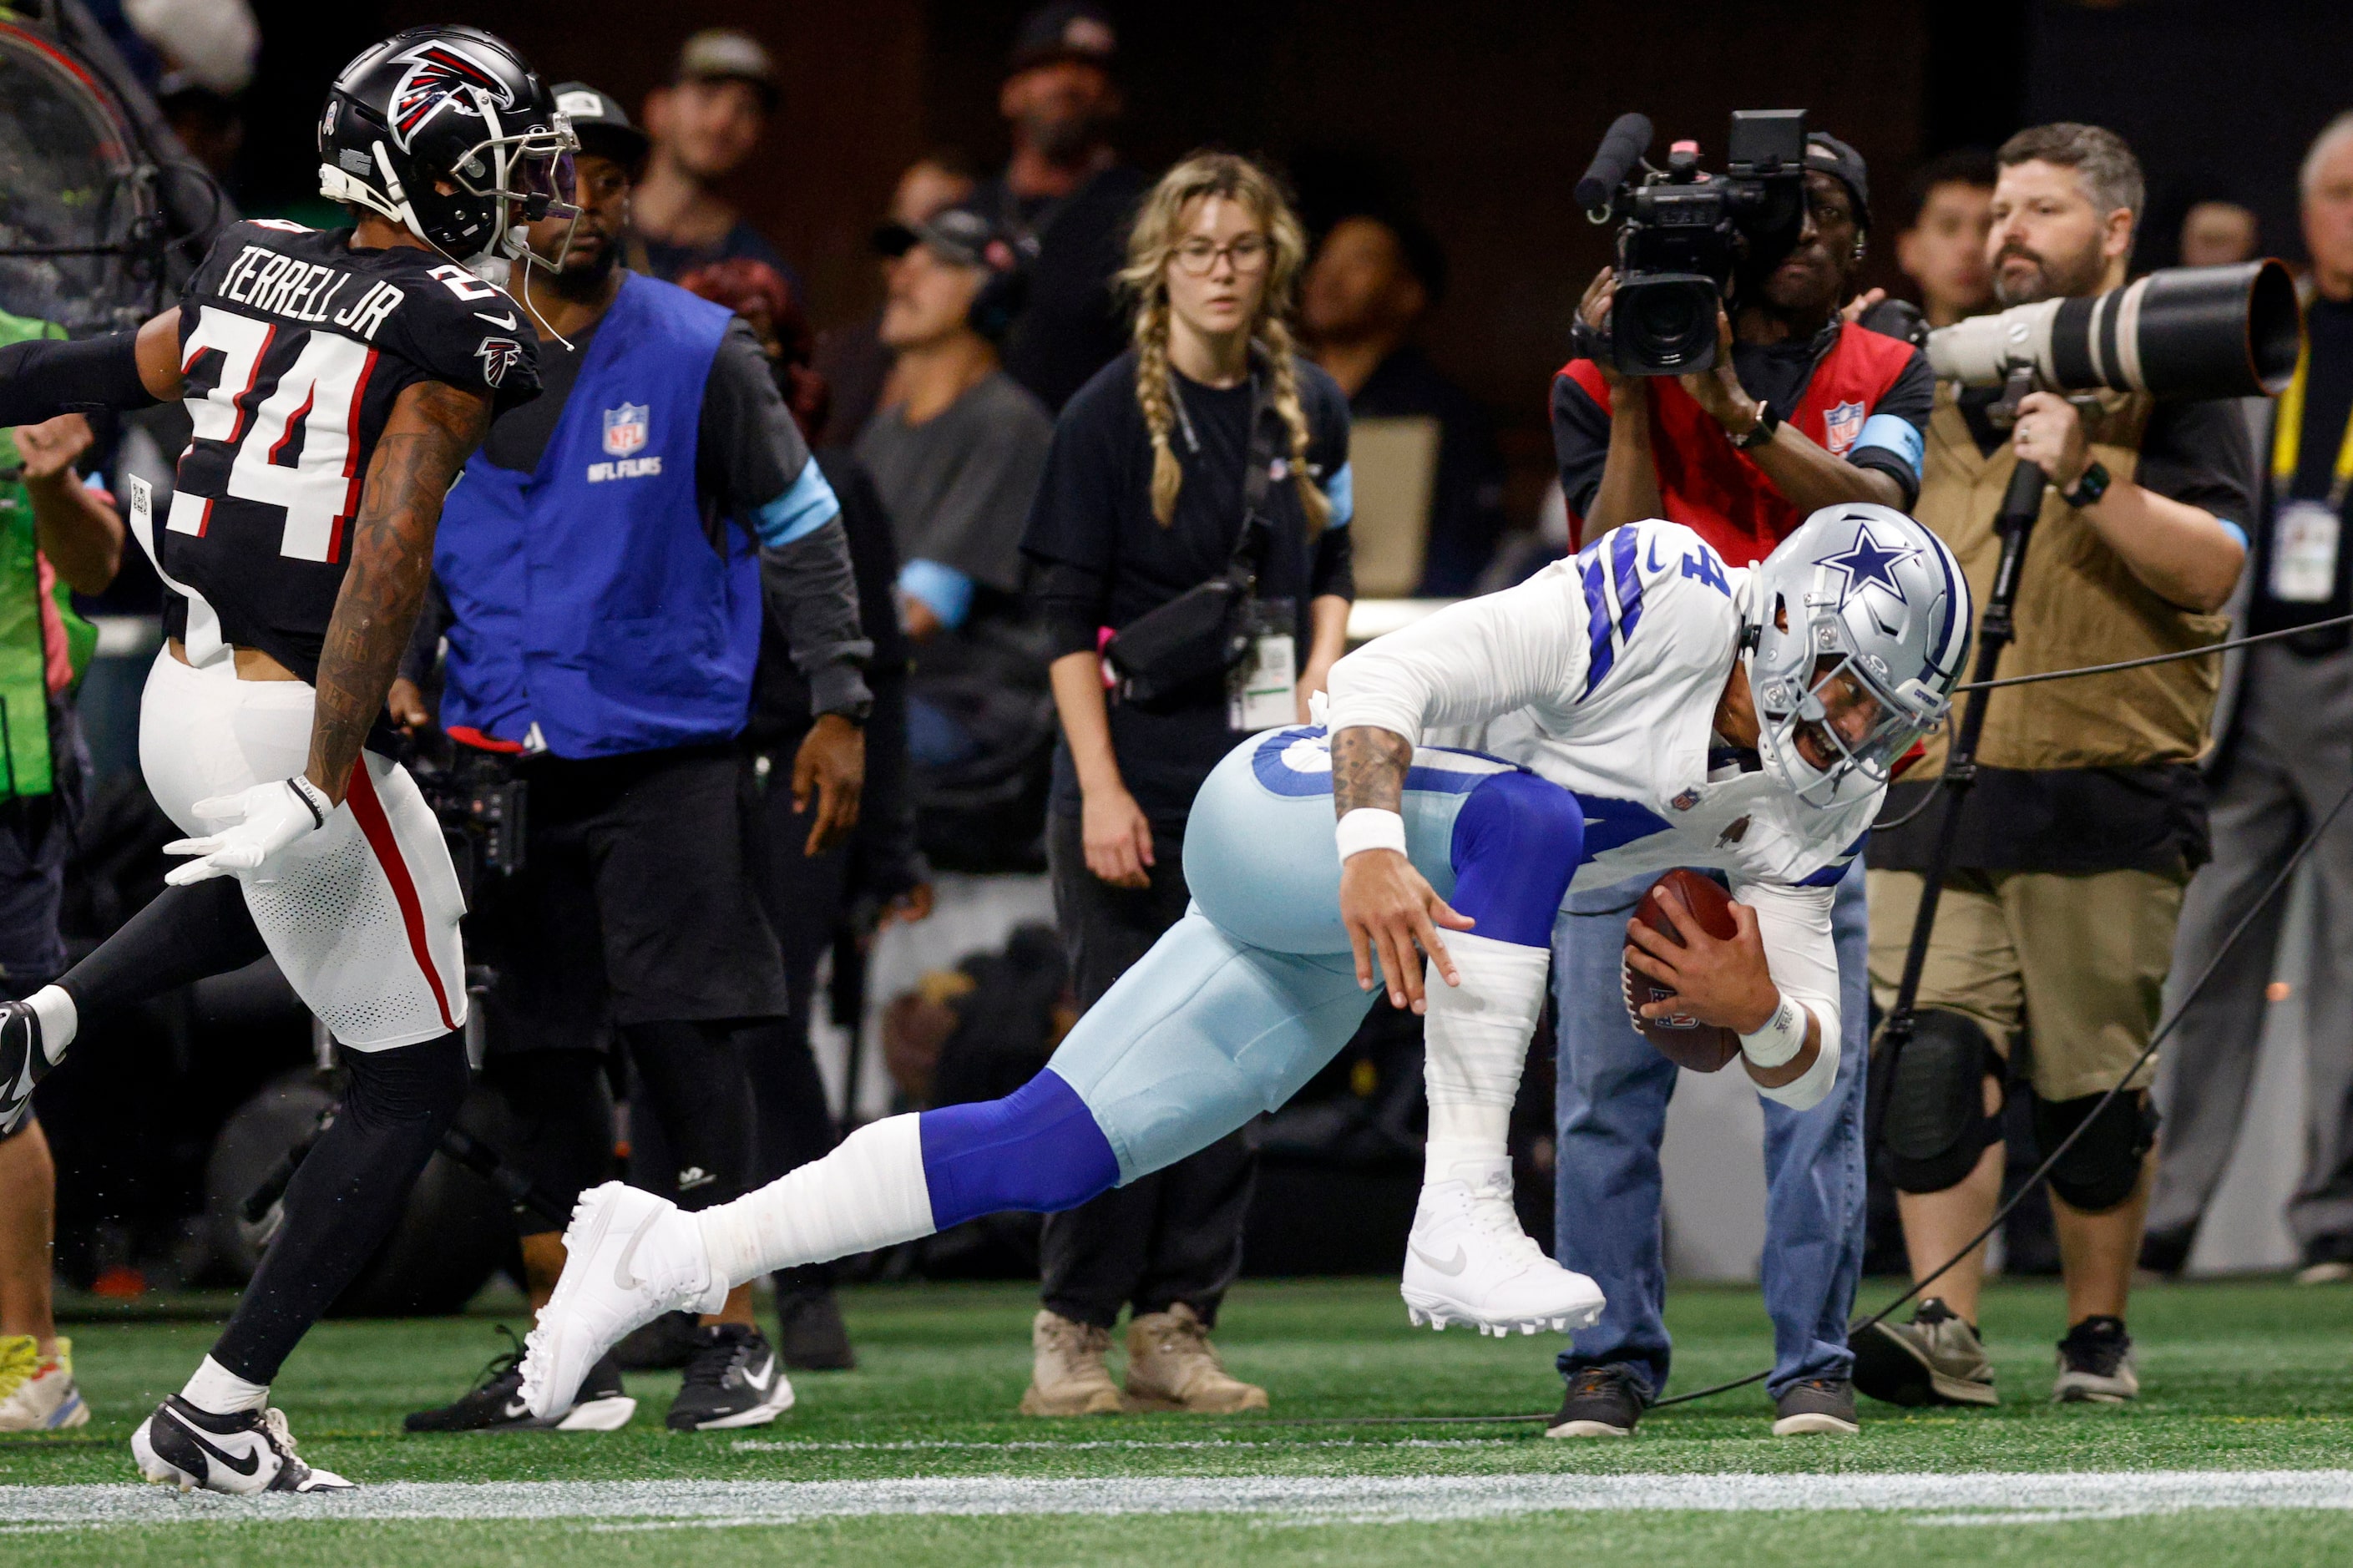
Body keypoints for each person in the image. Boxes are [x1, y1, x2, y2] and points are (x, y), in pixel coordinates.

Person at [515, 501, 1973, 1436]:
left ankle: (669, 1250)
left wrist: (1755, 1012)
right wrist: (1360, 842)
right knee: (1524, 815)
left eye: (1884, 712)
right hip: (1285, 805)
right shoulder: (1661, 590)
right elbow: (1384, 683)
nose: (1854, 731)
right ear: (1780, 615)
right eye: (1847, 685)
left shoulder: (1816, 793)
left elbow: (1815, 1058)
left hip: (1361, 933)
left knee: (1049, 1148)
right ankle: (1456, 1210)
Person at [0, 24, 566, 1490]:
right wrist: (326, 766)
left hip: (181, 696)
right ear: (421, 170)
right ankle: (218, 1405)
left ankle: (49, 1017)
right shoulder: (446, 318)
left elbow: (110, 367)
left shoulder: (249, 254)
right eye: (497, 161)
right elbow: (387, 550)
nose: (520, 188)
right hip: (285, 711)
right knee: (413, 1070)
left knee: (307, 903)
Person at [388, 84, 868, 1435]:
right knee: (538, 1054)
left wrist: (841, 701)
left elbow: (805, 526)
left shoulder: (703, 349)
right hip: (500, 756)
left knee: (683, 1049)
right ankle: (569, 1352)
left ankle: (733, 1335)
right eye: (552, 175)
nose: (579, 200)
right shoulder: (447, 342)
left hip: (666, 753)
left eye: (604, 178)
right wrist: (404, 668)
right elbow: (408, 542)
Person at [1857, 124, 2254, 1409]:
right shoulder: (1929, 372)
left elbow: (2211, 568)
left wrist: (2085, 475)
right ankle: (1942, 1328)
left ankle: (2094, 1332)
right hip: (1932, 768)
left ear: (2116, 231)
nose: (2005, 232)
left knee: (2090, 1097)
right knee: (1924, 1062)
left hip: (2103, 773)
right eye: (1996, 211)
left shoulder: (2175, 367)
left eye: (2038, 209)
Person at [1544, 132, 1933, 1441]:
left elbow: (1875, 524)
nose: (1814, 235)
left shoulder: (1885, 362)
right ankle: (1606, 1358)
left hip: (1804, 775)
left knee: (1808, 1083)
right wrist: (1647, 384)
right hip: (1635, 762)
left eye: (1839, 214)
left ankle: (1810, 1361)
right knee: (1603, 1087)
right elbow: (1611, 554)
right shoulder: (1599, 369)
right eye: (1791, 212)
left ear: (1863, 245)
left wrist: (1728, 402)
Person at [1014, 153, 1351, 1415]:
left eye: (1243, 248)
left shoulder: (1306, 401)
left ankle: (1179, 1321)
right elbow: (1060, 623)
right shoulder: (1102, 415)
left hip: (1254, 786)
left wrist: (1323, 671)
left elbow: (1336, 561)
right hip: (1131, 776)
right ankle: (1071, 1327)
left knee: (1240, 1053)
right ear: (1162, 263)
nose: (1220, 269)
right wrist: (1097, 792)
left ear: (1273, 263)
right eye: (1199, 247)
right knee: (1119, 1051)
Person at [681, 252, 933, 1368]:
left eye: (761, 333)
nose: (745, 353)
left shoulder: (837, 479)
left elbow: (886, 673)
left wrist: (892, 843)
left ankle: (812, 1278)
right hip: (676, 765)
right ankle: (686, 1284)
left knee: (772, 1026)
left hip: (801, 766)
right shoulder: (649, 479)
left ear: (790, 356)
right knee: (671, 1034)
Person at [2145, 114, 2353, 1282]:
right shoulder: (2269, 332)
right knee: (2204, 950)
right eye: (2334, 194)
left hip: (2352, 671)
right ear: (2303, 205)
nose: (2349, 218)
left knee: (2349, 962)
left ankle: (2332, 1218)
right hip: (2248, 670)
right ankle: (2166, 1209)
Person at [0, 381, 124, 1433]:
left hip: (10, 773)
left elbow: (98, 567)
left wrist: (50, 486)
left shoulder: (30, 360)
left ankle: (32, 1363)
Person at [858, 203, 1055, 648]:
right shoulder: (883, 432)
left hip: (962, 699)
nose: (902, 279)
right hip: (882, 685)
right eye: (905, 264)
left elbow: (921, 611)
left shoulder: (1011, 427)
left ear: (991, 300)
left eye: (937, 266)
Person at [1303, 211, 1507, 595]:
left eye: (1360, 260)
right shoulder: (1278, 400)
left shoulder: (1444, 414)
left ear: (1408, 293)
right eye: (1325, 258)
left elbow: (1462, 554)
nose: (1330, 277)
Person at [974, 2, 1151, 413]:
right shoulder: (970, 214)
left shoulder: (1143, 216)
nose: (1067, 83)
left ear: (1113, 99)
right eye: (1048, 66)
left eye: (1088, 69)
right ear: (1010, 94)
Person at [815, 151, 979, 451]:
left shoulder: (999, 413)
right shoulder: (837, 362)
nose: (910, 264)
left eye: (939, 249)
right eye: (898, 242)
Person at [631, 29, 788, 283]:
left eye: (747, 108)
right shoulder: (589, 233)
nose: (723, 121)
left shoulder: (759, 274)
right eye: (708, 96)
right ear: (658, 109)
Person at [1895, 149, 1998, 328]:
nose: (1970, 247)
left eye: (1988, 227)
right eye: (1949, 227)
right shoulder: (1880, 353)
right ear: (1909, 249)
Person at [2179, 200, 2259, 268]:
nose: (2212, 254)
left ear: (2247, 245)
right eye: (2207, 241)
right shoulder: (2169, 282)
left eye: (2222, 241)